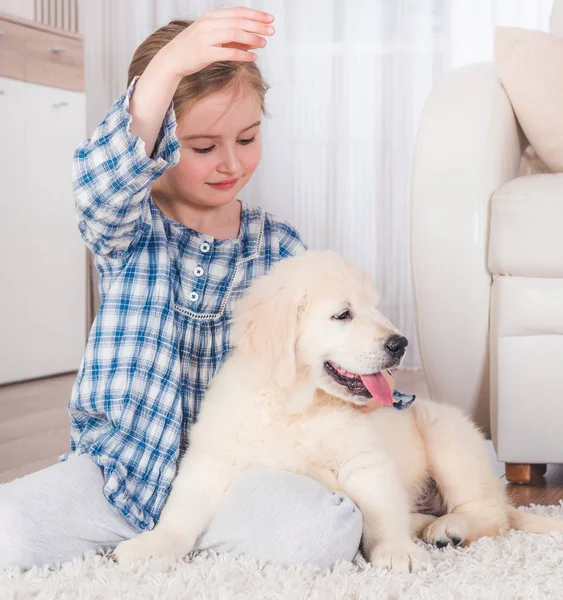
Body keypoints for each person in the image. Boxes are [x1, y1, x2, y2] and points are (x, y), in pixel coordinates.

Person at [0, 7, 362, 570]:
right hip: (119, 477)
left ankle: (189, 540)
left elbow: (326, 353)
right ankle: (163, 541)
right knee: (10, 532)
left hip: (237, 481)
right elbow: (99, 186)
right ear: (162, 144)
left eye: (247, 137)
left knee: (323, 531)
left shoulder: (280, 250)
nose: (232, 162)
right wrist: (169, 66)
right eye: (202, 147)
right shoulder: (127, 227)